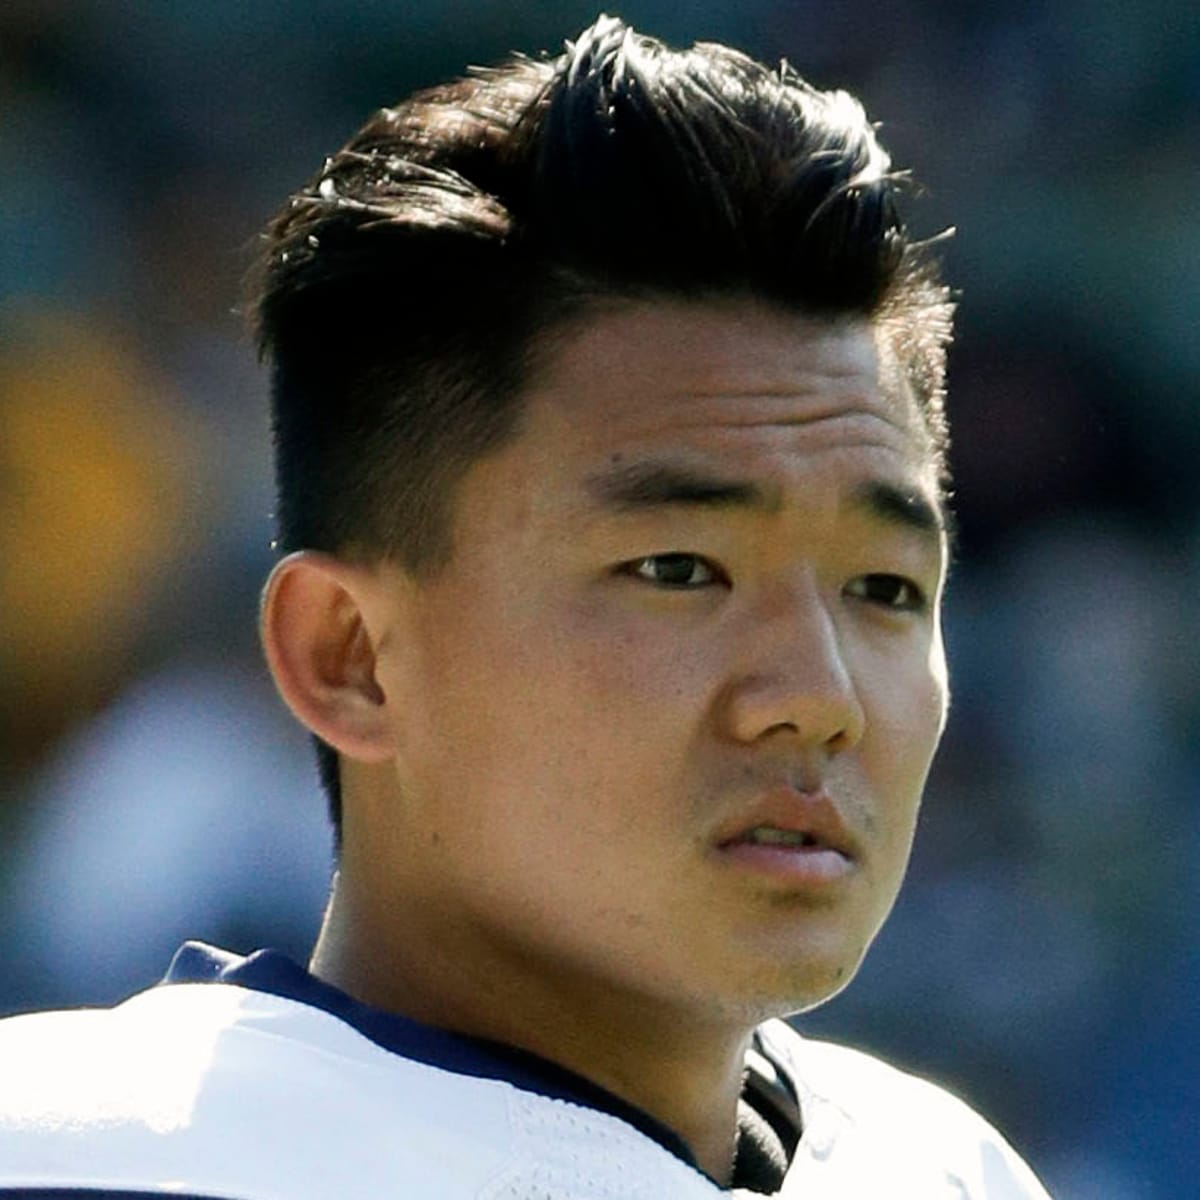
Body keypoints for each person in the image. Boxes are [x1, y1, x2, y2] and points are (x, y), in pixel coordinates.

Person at [0, 16, 1051, 1198]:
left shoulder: (951, 1173)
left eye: (884, 589)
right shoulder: (75, 1160)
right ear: (350, 656)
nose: (818, 697)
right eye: (678, 568)